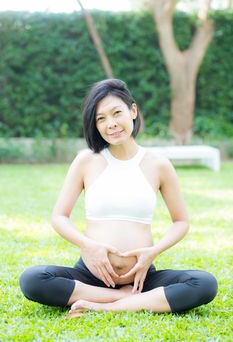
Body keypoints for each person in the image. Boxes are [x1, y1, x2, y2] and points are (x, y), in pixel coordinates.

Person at [19, 79, 217, 316]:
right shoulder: (86, 161)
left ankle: (102, 306)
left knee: (204, 284)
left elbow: (181, 221)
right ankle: (124, 299)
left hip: (141, 276)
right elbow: (59, 217)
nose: (110, 124)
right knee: (32, 279)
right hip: (91, 275)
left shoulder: (158, 165)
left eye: (116, 113)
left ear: (133, 111)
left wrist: (152, 252)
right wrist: (88, 245)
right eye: (101, 118)